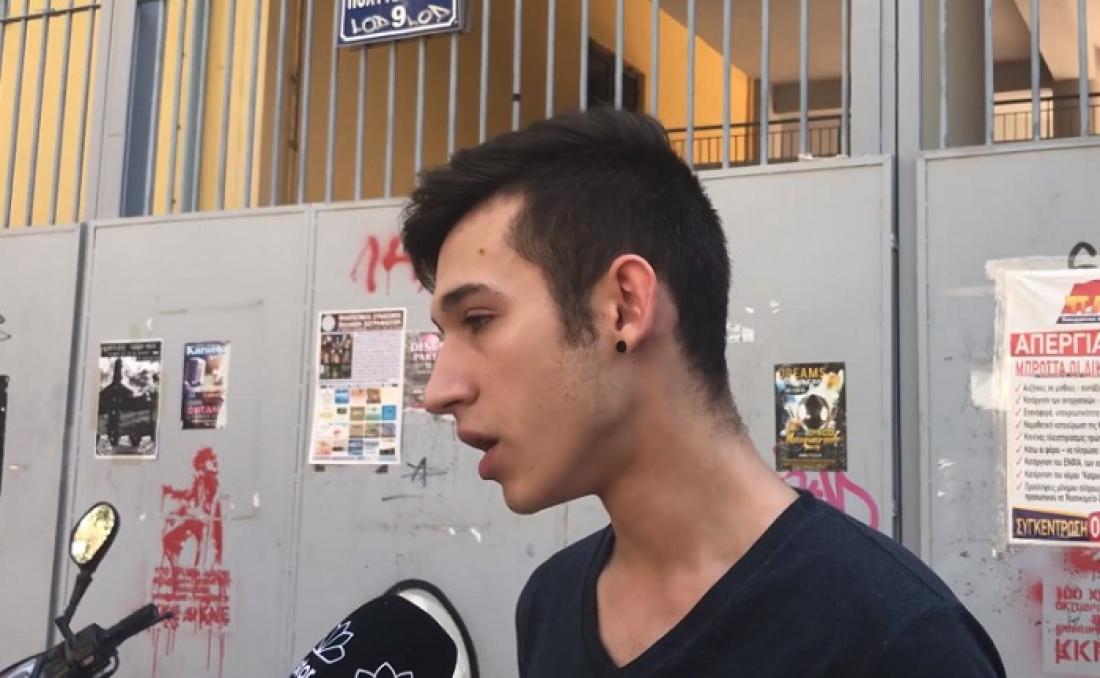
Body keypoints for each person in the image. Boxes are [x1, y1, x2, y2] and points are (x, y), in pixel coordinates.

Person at [402, 109, 1005, 677]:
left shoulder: (898, 641)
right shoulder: (549, 602)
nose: (439, 393)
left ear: (624, 307)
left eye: (478, 320)